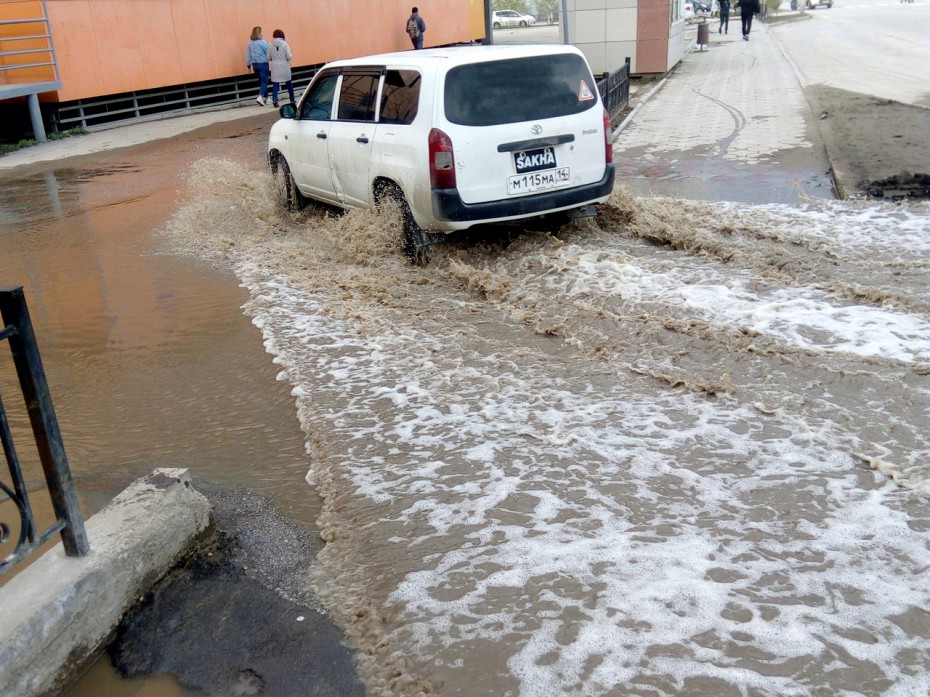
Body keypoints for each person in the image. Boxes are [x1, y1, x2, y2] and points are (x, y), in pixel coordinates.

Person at [269, 29, 296, 108]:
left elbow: (269, 57)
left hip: (275, 67)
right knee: (289, 83)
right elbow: (289, 56)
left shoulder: (270, 45)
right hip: (284, 66)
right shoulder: (285, 44)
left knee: (275, 84)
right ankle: (292, 99)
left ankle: (275, 99)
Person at [246, 26, 271, 105]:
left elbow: (248, 55)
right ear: (259, 33)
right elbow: (268, 52)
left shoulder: (250, 43)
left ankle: (267, 98)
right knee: (264, 81)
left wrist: (248, 65)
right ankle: (260, 97)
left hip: (254, 65)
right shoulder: (262, 42)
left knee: (262, 82)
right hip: (263, 63)